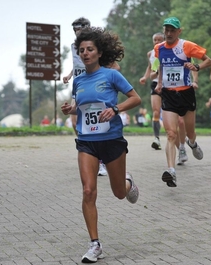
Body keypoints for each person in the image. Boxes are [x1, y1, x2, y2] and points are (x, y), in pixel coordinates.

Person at [60, 26, 141, 263]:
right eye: (82, 50)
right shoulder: (78, 81)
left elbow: (136, 98)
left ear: (98, 52)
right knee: (88, 191)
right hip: (87, 142)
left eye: (90, 49)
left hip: (112, 141)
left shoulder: (111, 75)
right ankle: (95, 244)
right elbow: (81, 107)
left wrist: (115, 109)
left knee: (118, 193)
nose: (85, 53)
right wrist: (70, 109)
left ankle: (128, 182)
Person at [154, 17, 211, 187]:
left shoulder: (186, 46)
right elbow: (161, 67)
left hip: (186, 94)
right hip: (169, 95)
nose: (169, 33)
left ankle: (192, 143)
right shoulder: (158, 48)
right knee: (171, 134)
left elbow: (208, 60)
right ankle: (171, 171)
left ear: (179, 31)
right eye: (166, 30)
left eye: (172, 30)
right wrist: (159, 83)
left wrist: (197, 68)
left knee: (189, 132)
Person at [63, 17, 118, 177]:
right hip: (79, 86)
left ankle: (100, 159)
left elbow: (115, 66)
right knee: (75, 122)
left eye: (79, 29)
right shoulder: (74, 47)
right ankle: (89, 152)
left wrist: (104, 76)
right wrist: (69, 75)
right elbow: (78, 65)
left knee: (98, 122)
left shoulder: (95, 46)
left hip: (95, 87)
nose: (76, 33)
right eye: (74, 30)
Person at [139, 32, 165, 150]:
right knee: (156, 111)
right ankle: (157, 138)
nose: (157, 42)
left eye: (160, 40)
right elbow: (150, 68)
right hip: (156, 85)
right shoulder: (151, 54)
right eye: (155, 40)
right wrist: (145, 77)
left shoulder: (170, 51)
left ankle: (178, 137)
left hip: (171, 85)